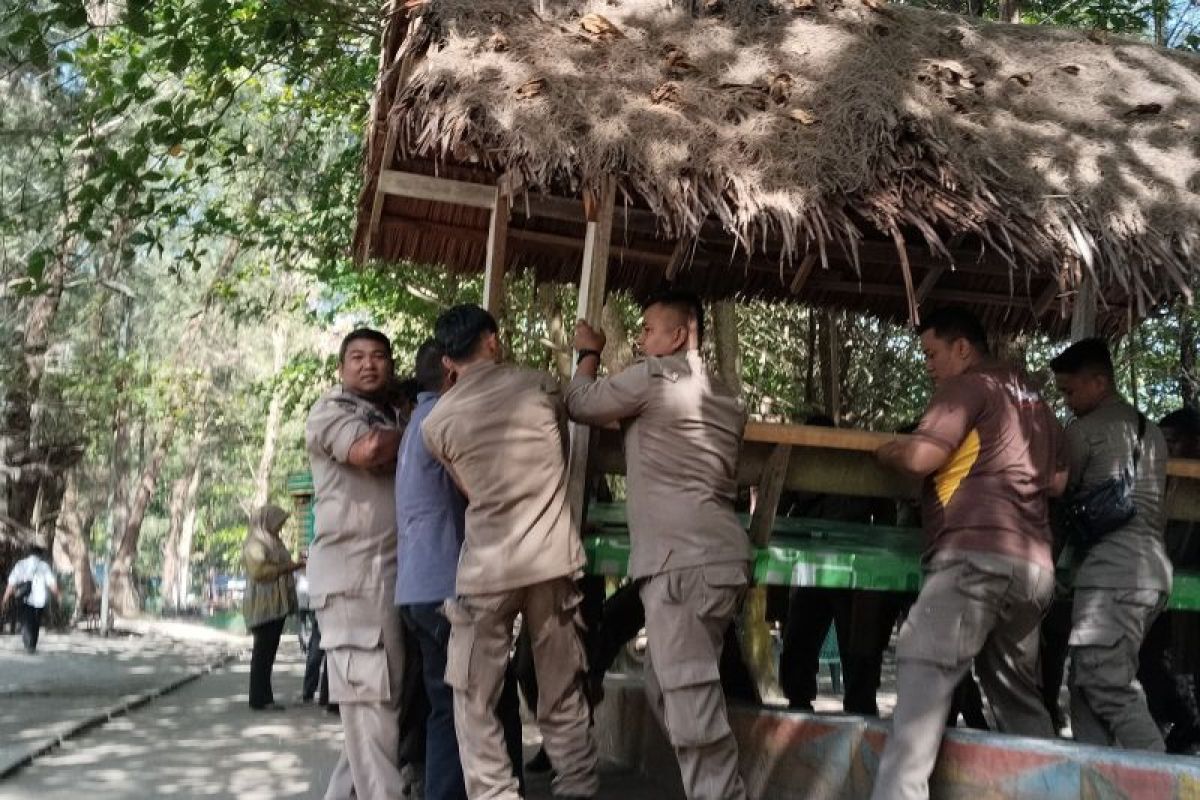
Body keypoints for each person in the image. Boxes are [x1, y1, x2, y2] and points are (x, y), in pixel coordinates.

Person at [871, 307, 1063, 800]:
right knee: (1017, 695)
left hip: (973, 558)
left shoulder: (968, 385)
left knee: (920, 686)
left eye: (932, 354)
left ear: (962, 347)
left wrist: (887, 450)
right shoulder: (1035, 398)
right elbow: (1059, 480)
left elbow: (921, 458)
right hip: (1033, 566)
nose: (929, 366)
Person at [567, 290, 751, 800]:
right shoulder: (724, 394)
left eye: (649, 329)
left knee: (689, 702)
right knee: (667, 687)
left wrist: (588, 352)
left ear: (680, 335)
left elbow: (579, 402)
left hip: (682, 562)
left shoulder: (655, 378)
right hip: (714, 558)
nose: (643, 338)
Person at [422, 304, 598, 800]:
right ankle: (578, 788)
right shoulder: (539, 385)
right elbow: (569, 431)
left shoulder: (436, 424)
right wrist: (588, 354)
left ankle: (496, 795)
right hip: (552, 563)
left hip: (487, 570)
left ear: (447, 362)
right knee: (561, 691)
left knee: (474, 697)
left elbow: (470, 491)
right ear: (493, 342)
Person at [396, 338, 524, 800]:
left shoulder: (418, 420)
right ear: (453, 373)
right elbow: (489, 495)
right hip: (450, 589)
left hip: (417, 588)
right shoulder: (450, 420)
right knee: (480, 705)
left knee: (446, 709)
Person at [306, 327, 414, 800]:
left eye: (378, 356)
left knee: (373, 720)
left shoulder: (392, 412)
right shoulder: (333, 411)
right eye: (356, 357)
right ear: (341, 368)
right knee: (372, 708)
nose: (368, 364)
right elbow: (367, 450)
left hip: (387, 577)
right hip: (354, 581)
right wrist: (421, 428)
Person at [1052, 338, 1172, 752]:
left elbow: (1057, 495)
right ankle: (1097, 778)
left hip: (1112, 575)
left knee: (1106, 684)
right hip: (1150, 573)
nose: (1065, 401)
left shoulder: (1083, 431)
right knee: (1086, 683)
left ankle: (1163, 780)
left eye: (1070, 391)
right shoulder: (1150, 430)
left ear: (1099, 382)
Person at [241, 504, 304, 710]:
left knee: (268, 653)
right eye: (278, 522)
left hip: (276, 604)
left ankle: (264, 697)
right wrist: (289, 567)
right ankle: (259, 699)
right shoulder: (255, 543)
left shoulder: (272, 541)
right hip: (263, 604)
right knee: (263, 652)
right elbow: (259, 571)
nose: (280, 527)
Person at [3, 544, 59, 653]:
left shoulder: (21, 564)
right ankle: (32, 644)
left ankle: (28, 644)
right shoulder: (44, 566)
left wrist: (5, 598)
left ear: (29, 553)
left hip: (24, 597)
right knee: (36, 622)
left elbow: (11, 583)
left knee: (26, 622)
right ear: (40, 555)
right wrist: (58, 595)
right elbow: (52, 584)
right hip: (40, 599)